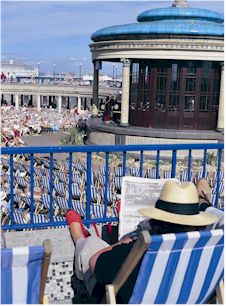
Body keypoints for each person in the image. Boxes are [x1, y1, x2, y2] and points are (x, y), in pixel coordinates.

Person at [66, 181, 218, 303]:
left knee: (90, 246)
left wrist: (122, 244)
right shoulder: (207, 253)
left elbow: (94, 263)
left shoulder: (141, 250)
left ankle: (79, 236)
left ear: (156, 220)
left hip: (123, 293)